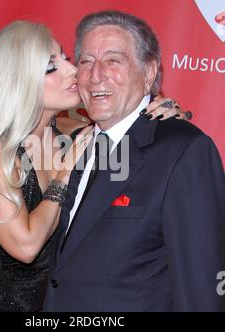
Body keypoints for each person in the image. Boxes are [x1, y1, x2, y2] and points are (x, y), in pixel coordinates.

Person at [0, 20, 186, 312]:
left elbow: (139, 143)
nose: (73, 70)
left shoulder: (77, 134)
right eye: (51, 67)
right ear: (16, 81)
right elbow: (25, 247)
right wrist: (64, 173)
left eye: (64, 57)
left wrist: (159, 111)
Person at [43, 10, 225, 312]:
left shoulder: (183, 151)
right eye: (86, 61)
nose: (96, 74)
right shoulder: (74, 145)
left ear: (149, 73)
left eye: (113, 60)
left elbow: (201, 288)